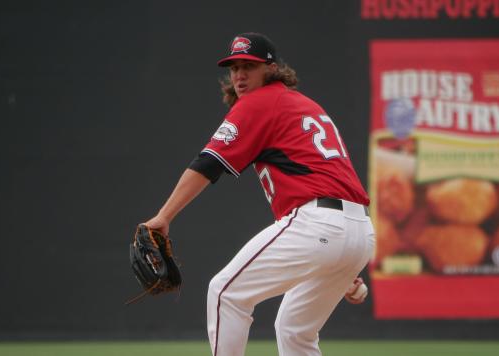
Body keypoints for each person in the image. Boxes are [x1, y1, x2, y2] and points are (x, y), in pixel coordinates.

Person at [144, 32, 375, 356]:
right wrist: (344, 265)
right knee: (295, 329)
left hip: (319, 225)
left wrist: (164, 216)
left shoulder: (259, 101)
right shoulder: (305, 106)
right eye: (234, 67)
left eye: (248, 66)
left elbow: (208, 163)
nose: (239, 74)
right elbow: (330, 183)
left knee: (225, 292)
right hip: (358, 232)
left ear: (270, 68)